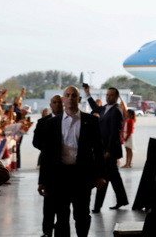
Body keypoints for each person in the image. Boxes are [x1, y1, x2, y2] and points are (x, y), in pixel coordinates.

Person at [33, 86, 106, 237]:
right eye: (67, 95)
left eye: (74, 95)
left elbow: (99, 150)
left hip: (82, 176)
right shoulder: (52, 123)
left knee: (82, 215)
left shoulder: (91, 121)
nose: (71, 98)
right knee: (61, 217)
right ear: (63, 99)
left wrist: (100, 175)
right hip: (59, 176)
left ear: (79, 99)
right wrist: (42, 181)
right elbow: (46, 155)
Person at [85, 85, 128, 213]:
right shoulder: (104, 108)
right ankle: (121, 200)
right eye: (107, 95)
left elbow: (115, 133)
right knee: (113, 177)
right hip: (104, 149)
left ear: (116, 97)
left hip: (110, 151)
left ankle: (97, 207)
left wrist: (108, 151)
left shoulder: (116, 111)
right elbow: (95, 108)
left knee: (103, 176)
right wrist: (88, 94)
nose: (108, 97)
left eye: (111, 95)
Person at [33, 94, 63, 237]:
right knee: (49, 204)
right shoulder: (43, 122)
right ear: (50, 105)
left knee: (63, 205)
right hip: (49, 167)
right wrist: (50, 149)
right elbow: (36, 142)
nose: (57, 105)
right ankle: (47, 231)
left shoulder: (69, 121)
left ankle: (61, 230)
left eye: (59, 102)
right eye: (54, 102)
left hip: (65, 169)